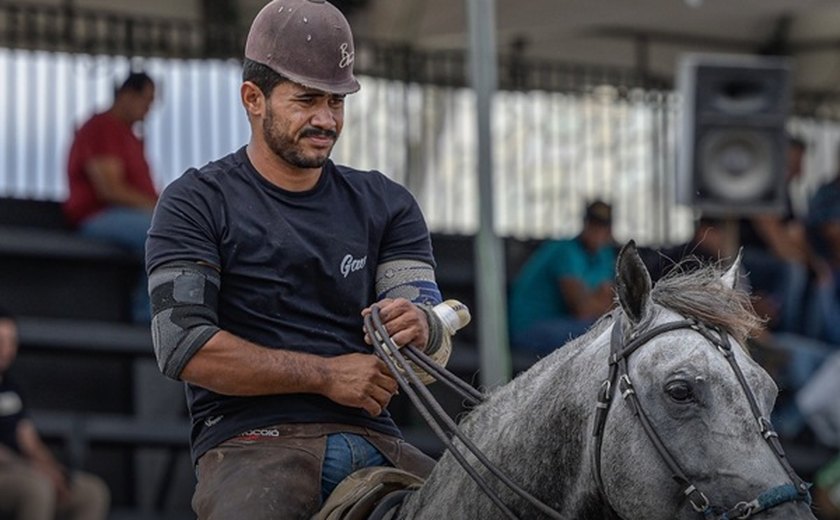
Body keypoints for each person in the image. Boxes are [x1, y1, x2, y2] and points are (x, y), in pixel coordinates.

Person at [144, 1, 459, 518]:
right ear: (253, 98)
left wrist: (421, 327)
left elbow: (429, 325)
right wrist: (327, 376)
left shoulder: (389, 203)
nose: (326, 119)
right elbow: (183, 347)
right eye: (307, 99)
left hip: (380, 440)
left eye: (337, 102)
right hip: (251, 444)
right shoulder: (195, 201)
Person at [64, 71, 158, 323]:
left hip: (128, 215)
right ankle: (147, 317)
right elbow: (110, 189)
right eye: (146, 101)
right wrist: (160, 209)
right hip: (98, 215)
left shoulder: (129, 135)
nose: (148, 110)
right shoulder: (102, 127)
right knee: (161, 234)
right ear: (127, 95)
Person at [0, 307, 110, 520]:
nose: (6, 349)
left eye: (11, 341)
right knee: (37, 489)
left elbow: (29, 440)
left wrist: (53, 470)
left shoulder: (12, 388)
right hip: (11, 471)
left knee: (91, 492)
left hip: (23, 470)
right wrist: (31, 469)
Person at [508, 200, 615, 354]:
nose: (597, 231)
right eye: (593, 224)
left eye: (602, 226)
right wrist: (596, 302)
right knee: (603, 334)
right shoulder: (565, 251)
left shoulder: (604, 255)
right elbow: (583, 310)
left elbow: (610, 302)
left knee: (610, 329)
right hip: (531, 327)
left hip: (568, 323)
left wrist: (595, 303)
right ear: (585, 224)